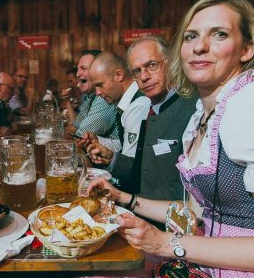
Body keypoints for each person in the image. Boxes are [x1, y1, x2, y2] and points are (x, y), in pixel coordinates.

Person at [28, 0, 254, 278]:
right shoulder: (205, 112)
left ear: (246, 49)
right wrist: (124, 198)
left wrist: (168, 244)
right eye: (191, 36)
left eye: (218, 35)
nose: (199, 47)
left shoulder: (246, 109)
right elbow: (195, 210)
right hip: (210, 267)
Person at [86, 37, 197, 200]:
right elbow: (144, 171)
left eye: (152, 65)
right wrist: (112, 158)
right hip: (143, 211)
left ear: (171, 63)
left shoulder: (191, 108)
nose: (144, 76)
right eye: (137, 71)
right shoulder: (151, 107)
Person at [80, 51, 150, 161]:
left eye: (100, 85)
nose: (97, 92)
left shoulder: (138, 105)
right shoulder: (126, 101)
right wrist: (98, 141)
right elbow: (124, 144)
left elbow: (129, 162)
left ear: (119, 75)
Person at [64, 50, 118, 139]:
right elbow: (76, 124)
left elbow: (80, 137)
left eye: (83, 68)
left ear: (98, 70)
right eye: (78, 69)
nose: (77, 74)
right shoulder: (91, 96)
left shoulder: (103, 98)